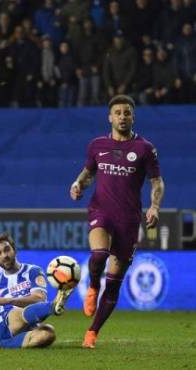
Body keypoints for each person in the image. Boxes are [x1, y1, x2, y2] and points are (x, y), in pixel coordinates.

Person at [70, 94, 164, 349]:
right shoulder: (97, 145)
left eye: (127, 113)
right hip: (101, 210)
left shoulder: (145, 149)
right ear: (110, 117)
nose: (122, 117)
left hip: (129, 220)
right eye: (118, 113)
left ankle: (92, 332)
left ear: (133, 117)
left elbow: (157, 182)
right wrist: (78, 184)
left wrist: (155, 207)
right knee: (99, 254)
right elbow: (88, 173)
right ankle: (91, 286)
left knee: (114, 282)